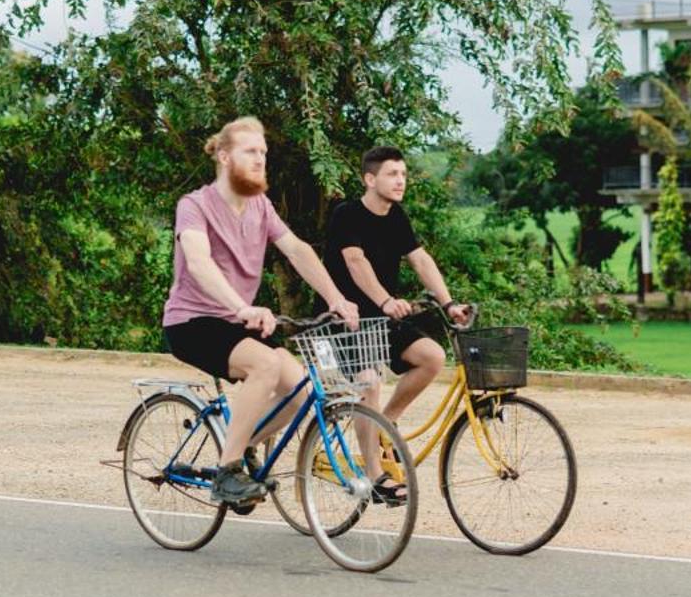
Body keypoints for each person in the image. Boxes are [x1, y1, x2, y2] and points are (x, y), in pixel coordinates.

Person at [162, 117, 359, 505]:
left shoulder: (260, 206)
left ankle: (239, 445)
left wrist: (335, 297)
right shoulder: (195, 206)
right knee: (266, 366)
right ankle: (228, 472)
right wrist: (241, 306)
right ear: (223, 156)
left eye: (264, 153)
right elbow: (200, 264)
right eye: (250, 151)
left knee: (301, 389)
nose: (260, 160)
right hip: (192, 321)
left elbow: (298, 250)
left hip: (236, 324)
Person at [321, 145, 471, 501]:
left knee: (431, 357)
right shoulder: (347, 215)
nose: (400, 180)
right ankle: (375, 475)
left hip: (383, 318)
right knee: (369, 381)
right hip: (346, 320)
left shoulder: (396, 215)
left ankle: (384, 424)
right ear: (369, 179)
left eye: (403, 174)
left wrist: (448, 304)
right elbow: (356, 263)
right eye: (392, 174)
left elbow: (420, 260)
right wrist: (385, 300)